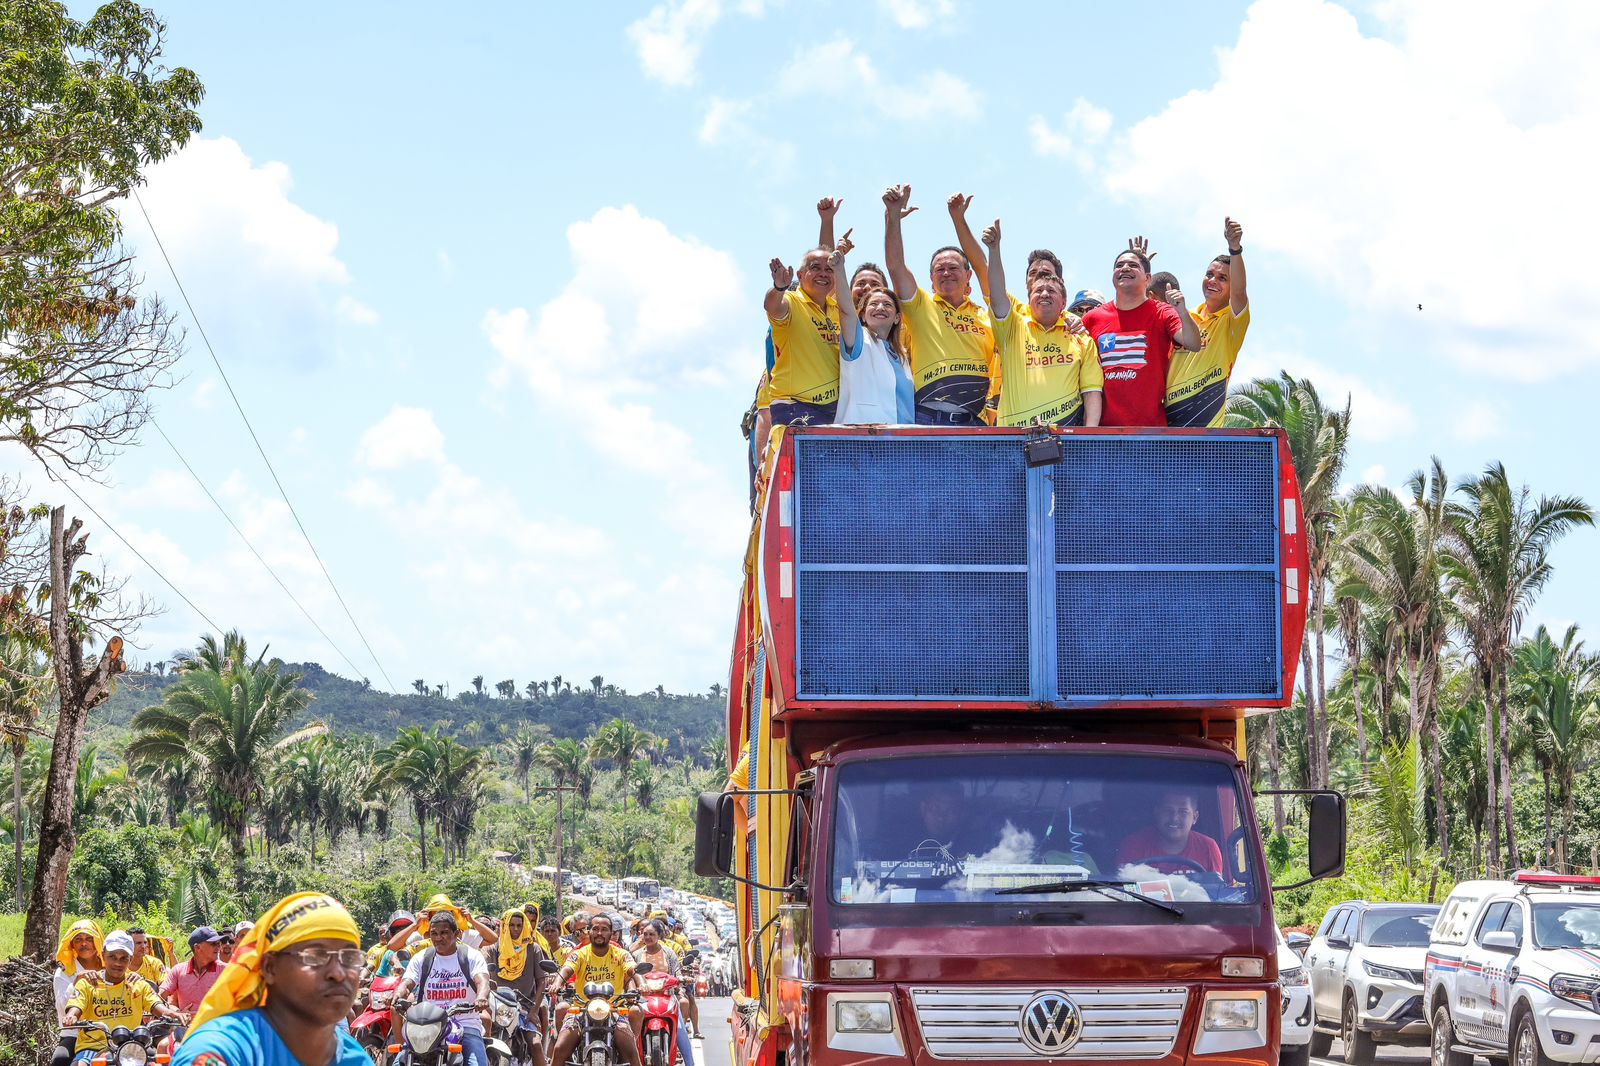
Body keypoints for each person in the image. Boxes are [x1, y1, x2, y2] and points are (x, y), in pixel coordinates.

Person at [170, 891, 371, 1066]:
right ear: (270, 967)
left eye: (349, 957)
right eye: (315, 956)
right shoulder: (224, 1049)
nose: (338, 973)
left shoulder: (356, 1058)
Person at [882, 184, 995, 425]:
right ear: (931, 279)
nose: (946, 273)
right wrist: (892, 216)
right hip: (928, 418)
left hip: (976, 423)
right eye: (939, 269)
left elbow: (983, 265)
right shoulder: (921, 305)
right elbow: (896, 266)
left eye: (953, 268)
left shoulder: (986, 315)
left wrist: (958, 219)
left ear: (968, 276)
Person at [979, 219, 1104, 428]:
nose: (1044, 294)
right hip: (1012, 440)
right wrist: (994, 250)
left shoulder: (1082, 337)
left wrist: (1088, 437)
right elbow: (996, 291)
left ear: (1063, 302)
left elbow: (1091, 392)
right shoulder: (1012, 327)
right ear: (1028, 300)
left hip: (1065, 441)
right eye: (1038, 291)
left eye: (1052, 291)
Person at [1083, 248, 1201, 426]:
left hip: (1151, 433)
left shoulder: (1163, 312)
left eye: (1133, 265)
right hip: (1104, 434)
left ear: (1148, 279)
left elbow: (1193, 343)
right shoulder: (1093, 318)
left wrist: (1183, 312)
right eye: (1119, 265)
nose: (1124, 268)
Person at [1165, 218, 1251, 427]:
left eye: (1222, 278)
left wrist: (1235, 249)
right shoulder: (1184, 315)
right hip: (1164, 425)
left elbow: (1240, 293)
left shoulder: (1232, 323)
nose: (1212, 280)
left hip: (1205, 430)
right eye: (1209, 274)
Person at [832, 232, 914, 425]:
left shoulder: (901, 355)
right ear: (862, 314)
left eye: (887, 304)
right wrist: (838, 268)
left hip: (901, 444)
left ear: (897, 318)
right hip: (861, 442)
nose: (880, 308)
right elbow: (845, 311)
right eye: (873, 304)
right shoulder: (858, 339)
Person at [64, 929, 182, 1062]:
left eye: (123, 958)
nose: (117, 963)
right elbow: (76, 1005)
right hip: (94, 1047)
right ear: (103, 956)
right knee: (80, 1064)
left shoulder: (138, 984)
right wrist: (71, 1016)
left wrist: (170, 1014)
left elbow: (155, 1004)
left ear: (130, 959)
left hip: (133, 1047)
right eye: (112, 957)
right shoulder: (89, 983)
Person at [394, 912, 494, 1066]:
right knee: (399, 1061)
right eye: (434, 933)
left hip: (465, 1022)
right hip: (427, 1026)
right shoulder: (422, 958)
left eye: (444, 933)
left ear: (457, 934)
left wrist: (481, 996)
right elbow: (407, 983)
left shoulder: (471, 956)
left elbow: (482, 981)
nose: (438, 938)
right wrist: (397, 995)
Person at [764, 247, 841, 426]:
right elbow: (772, 306)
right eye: (815, 268)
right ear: (799, 275)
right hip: (794, 407)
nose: (823, 274)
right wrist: (778, 288)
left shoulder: (837, 309)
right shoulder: (791, 300)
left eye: (829, 269)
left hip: (834, 410)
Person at [551, 914, 641, 1066]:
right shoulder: (580, 954)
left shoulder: (621, 954)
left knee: (632, 1052)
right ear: (589, 931)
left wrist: (642, 984)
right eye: (595, 929)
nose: (599, 933)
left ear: (611, 933)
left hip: (615, 1011)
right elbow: (567, 969)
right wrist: (557, 983)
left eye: (604, 929)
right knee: (559, 1048)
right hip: (580, 1010)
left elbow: (634, 971)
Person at [484, 909, 548, 1066]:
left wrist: (533, 1012)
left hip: (524, 1008)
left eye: (519, 925)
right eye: (511, 925)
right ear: (504, 926)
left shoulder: (533, 949)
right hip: (496, 1008)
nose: (515, 929)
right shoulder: (492, 949)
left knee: (535, 1044)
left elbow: (542, 982)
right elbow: (481, 969)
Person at [1114, 787, 1224, 874]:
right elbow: (1123, 894)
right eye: (1168, 810)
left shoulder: (1208, 848)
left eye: (1183, 812)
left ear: (1195, 817)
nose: (1174, 818)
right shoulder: (1133, 846)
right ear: (1157, 813)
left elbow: (1218, 895)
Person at [632, 921, 695, 1064]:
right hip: (643, 998)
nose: (648, 937)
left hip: (667, 996)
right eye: (645, 934)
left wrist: (682, 980)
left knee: (680, 1028)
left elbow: (676, 972)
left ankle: (690, 1063)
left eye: (652, 934)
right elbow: (631, 974)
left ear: (659, 935)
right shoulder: (636, 955)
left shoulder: (669, 952)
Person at [51, 919, 104, 1066]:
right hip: (74, 1034)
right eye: (78, 940)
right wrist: (77, 982)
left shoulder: (110, 966)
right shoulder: (64, 972)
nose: (84, 944)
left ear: (97, 942)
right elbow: (62, 1007)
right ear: (72, 944)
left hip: (107, 1032)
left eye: (89, 939)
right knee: (60, 1060)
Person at [162, 926, 226, 1021]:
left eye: (219, 943)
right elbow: (161, 997)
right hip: (184, 1030)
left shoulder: (226, 970)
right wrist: (177, 1013)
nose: (219, 947)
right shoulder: (178, 970)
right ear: (197, 947)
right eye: (213, 944)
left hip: (217, 1029)